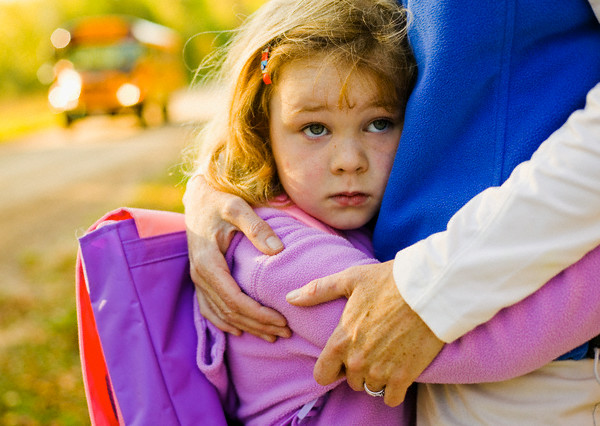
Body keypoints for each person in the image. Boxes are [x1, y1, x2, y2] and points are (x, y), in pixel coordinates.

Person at [188, 0, 600, 423]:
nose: (349, 159)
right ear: (260, 130)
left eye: (379, 123)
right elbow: (486, 348)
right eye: (315, 129)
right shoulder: (278, 256)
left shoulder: (342, 221)